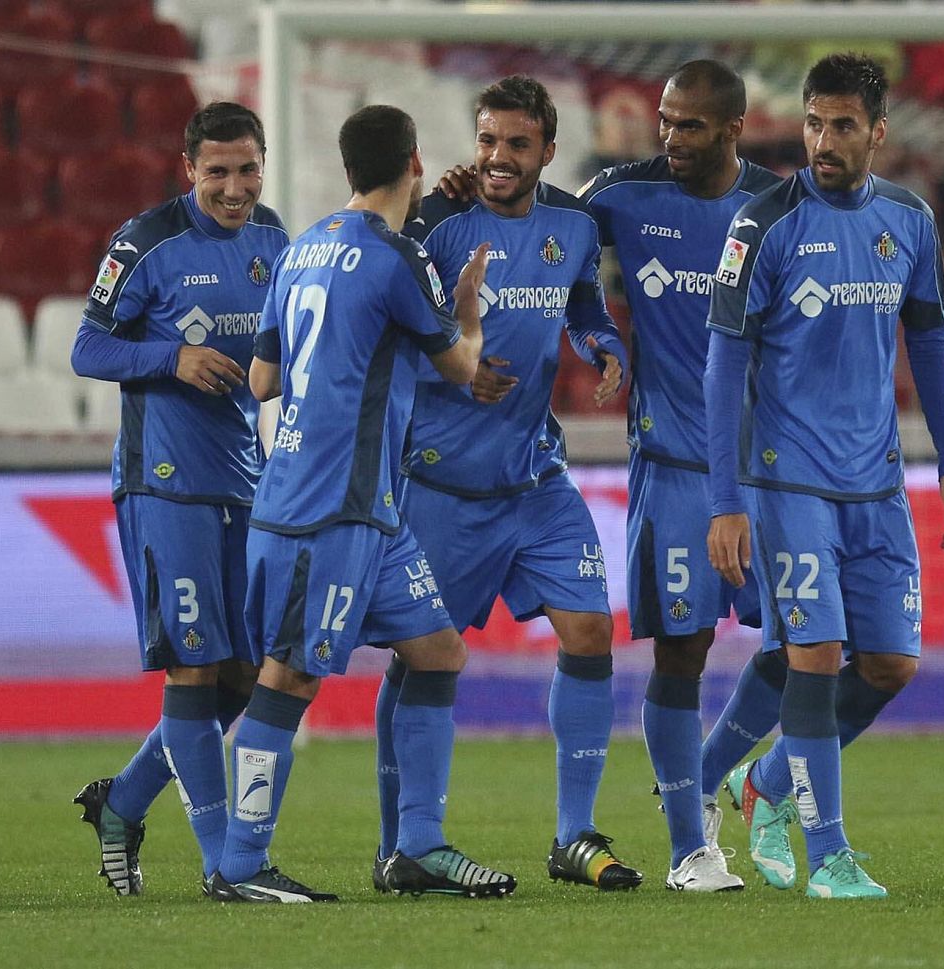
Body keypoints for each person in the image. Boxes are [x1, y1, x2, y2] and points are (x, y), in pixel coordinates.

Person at [212, 104, 516, 903]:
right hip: (329, 509)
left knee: (438, 650)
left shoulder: (300, 247)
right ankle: (239, 863)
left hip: (359, 508)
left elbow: (262, 381)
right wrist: (470, 311)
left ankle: (417, 846)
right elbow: (460, 369)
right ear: (414, 163)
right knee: (289, 679)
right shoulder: (397, 258)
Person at [705, 53, 944, 899]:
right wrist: (725, 501)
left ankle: (763, 782)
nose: (823, 139)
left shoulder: (909, 220)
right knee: (815, 653)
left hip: (878, 482)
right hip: (788, 481)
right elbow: (722, 366)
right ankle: (829, 857)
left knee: (891, 665)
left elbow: (929, 339)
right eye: (814, 122)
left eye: (843, 125)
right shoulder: (762, 224)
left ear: (877, 133)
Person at [379, 74, 638, 893]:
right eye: (487, 140)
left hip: (534, 477)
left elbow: (585, 307)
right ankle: (407, 840)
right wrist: (455, 366)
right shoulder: (437, 222)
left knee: (592, 633)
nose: (496, 157)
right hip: (442, 485)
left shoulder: (573, 222)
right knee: (423, 659)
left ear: (547, 152)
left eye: (516, 144)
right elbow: (395, 322)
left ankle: (573, 834)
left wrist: (605, 346)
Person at [68, 102, 289, 896]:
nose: (235, 188)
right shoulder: (146, 242)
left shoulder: (275, 240)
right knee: (195, 670)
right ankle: (219, 860)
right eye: (218, 172)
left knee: (243, 675)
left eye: (248, 169)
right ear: (188, 168)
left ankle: (123, 800)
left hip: (246, 479)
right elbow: (87, 347)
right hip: (164, 483)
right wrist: (174, 358)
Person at [578, 60, 778, 892]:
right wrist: (598, 333)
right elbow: (543, 247)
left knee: (808, 644)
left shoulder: (776, 208)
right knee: (684, 653)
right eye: (665, 120)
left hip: (769, 471)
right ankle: (690, 844)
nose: (671, 137)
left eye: (690, 125)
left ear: (733, 128)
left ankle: (709, 774)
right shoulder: (622, 195)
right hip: (675, 467)